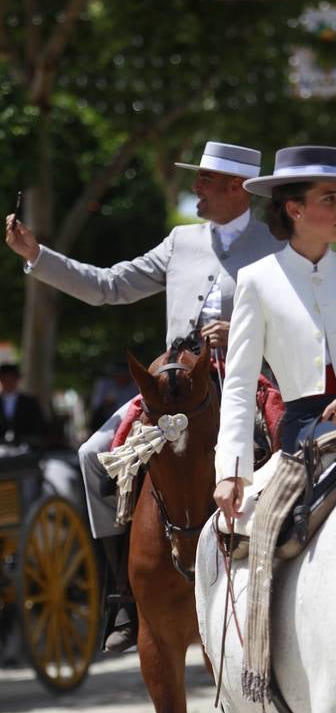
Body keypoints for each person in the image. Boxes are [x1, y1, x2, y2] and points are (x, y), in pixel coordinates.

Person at [5, 141, 285, 650]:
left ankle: (283, 584)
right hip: (171, 390)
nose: (195, 187)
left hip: (244, 383)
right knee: (92, 456)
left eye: (204, 179)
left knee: (288, 454)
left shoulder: (276, 248)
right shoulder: (180, 241)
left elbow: (298, 327)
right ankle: (123, 598)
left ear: (236, 187)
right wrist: (37, 256)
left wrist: (247, 333)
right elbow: (110, 285)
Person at [213, 144, 336, 526]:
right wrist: (231, 470)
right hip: (304, 434)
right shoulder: (256, 280)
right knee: (273, 534)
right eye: (330, 199)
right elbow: (239, 384)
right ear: (295, 208)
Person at [0, 362, 47, 447]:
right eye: (5, 378)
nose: (8, 381)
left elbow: (39, 426)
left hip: (25, 448)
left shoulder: (30, 402)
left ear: (17, 379)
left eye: (12, 378)